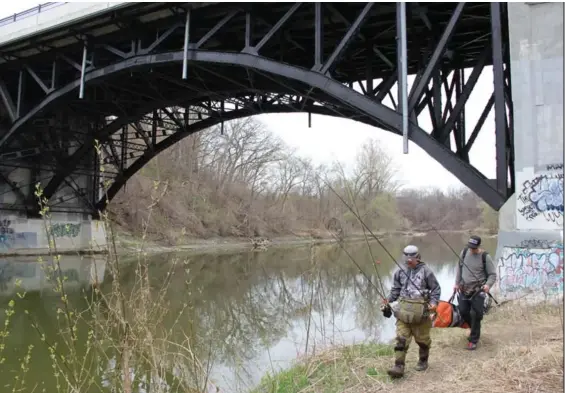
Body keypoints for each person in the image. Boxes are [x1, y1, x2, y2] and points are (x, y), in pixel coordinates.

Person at [382, 245, 441, 378]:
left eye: (411, 259)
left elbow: (436, 289)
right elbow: (395, 290)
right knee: (401, 339)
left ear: (417, 258)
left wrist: (433, 303)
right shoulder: (399, 272)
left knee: (422, 340)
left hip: (422, 314)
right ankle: (398, 366)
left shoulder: (427, 271)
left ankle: (423, 360)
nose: (409, 261)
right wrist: (388, 300)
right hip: (403, 312)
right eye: (406, 258)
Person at [453, 235, 497, 350]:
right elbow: (459, 268)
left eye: (474, 248)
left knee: (476, 314)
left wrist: (488, 285)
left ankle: (473, 340)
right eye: (470, 247)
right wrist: (456, 283)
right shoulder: (464, 253)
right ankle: (473, 328)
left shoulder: (485, 257)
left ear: (478, 246)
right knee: (463, 311)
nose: (472, 250)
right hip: (464, 288)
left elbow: (492, 275)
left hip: (478, 290)